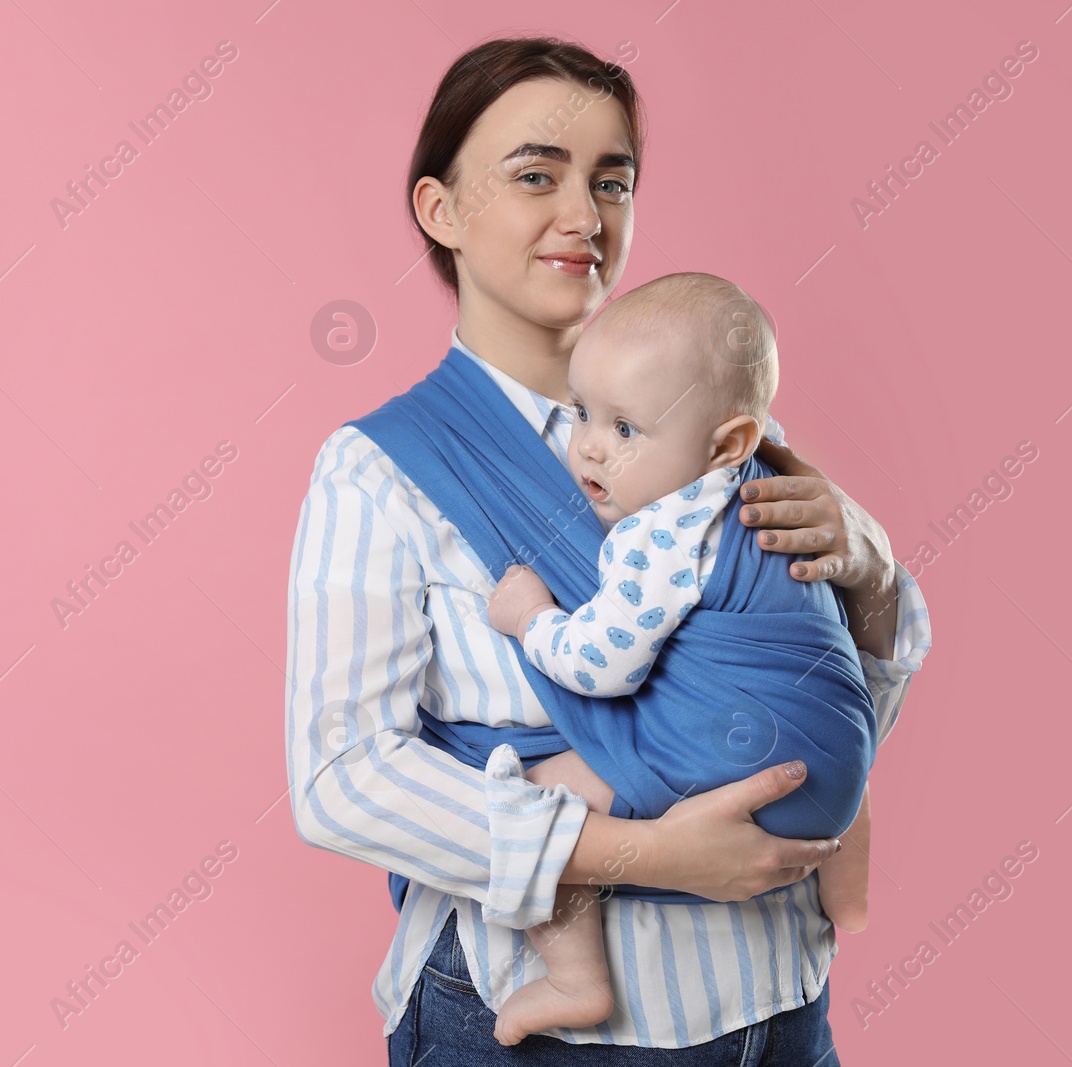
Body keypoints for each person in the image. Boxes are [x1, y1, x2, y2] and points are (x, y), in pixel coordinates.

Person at [284, 36, 931, 1064]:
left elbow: (824, 716)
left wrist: (875, 569)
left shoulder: (727, 437)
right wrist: (649, 852)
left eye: (611, 181)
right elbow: (342, 778)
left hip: (781, 1005)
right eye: (536, 175)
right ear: (440, 209)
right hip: (563, 1028)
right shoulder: (379, 470)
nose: (585, 217)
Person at [481, 270, 880, 1045]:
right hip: (838, 772)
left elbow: (607, 663)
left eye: (626, 429)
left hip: (739, 764)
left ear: (724, 442)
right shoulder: (770, 483)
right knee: (836, 716)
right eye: (583, 413)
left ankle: (577, 979)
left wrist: (532, 618)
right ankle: (849, 894)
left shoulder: (657, 533)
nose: (591, 444)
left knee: (538, 797)